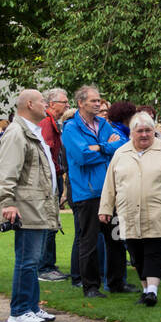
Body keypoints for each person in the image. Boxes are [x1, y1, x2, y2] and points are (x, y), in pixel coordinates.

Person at [98, 112, 161, 307]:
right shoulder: (121, 153)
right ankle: (146, 289)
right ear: (132, 133)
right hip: (127, 212)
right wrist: (105, 208)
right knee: (136, 253)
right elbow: (109, 184)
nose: (145, 135)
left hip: (157, 210)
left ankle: (152, 291)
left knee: (154, 250)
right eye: (140, 131)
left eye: (149, 130)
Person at [0, 90, 59, 322]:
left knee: (33, 260)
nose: (46, 104)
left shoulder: (31, 132)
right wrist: (7, 202)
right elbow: (6, 172)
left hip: (37, 205)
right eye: (42, 101)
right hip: (27, 206)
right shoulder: (17, 133)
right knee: (27, 260)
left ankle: (31, 306)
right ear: (29, 104)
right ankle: (18, 310)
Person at [62, 85, 130, 297]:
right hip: (87, 193)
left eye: (99, 101)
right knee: (89, 242)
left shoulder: (102, 124)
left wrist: (98, 147)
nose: (98, 104)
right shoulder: (71, 128)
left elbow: (123, 146)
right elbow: (82, 155)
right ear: (81, 103)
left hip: (110, 191)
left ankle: (117, 282)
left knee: (116, 239)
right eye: (93, 101)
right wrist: (105, 147)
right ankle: (90, 286)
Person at [33, 89, 70, 279]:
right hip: (49, 180)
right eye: (64, 102)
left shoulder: (51, 123)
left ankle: (47, 265)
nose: (68, 106)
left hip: (53, 178)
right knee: (49, 223)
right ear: (52, 103)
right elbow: (46, 153)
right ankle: (45, 267)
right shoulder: (47, 123)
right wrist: (55, 176)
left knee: (51, 222)